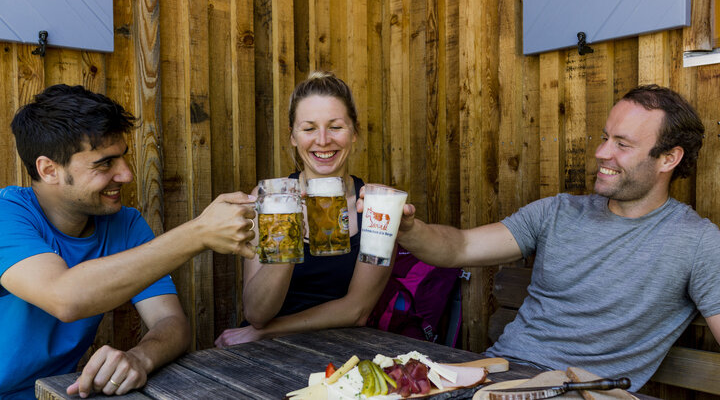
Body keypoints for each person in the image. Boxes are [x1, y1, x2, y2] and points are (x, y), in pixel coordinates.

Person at [358, 84, 720, 391]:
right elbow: (460, 248)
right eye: (604, 137)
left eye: (622, 145)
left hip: (579, 391)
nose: (601, 153)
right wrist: (408, 228)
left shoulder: (697, 242)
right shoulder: (557, 212)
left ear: (669, 158)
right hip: (496, 377)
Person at [0, 84, 257, 399]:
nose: (126, 174)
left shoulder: (126, 222)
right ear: (49, 170)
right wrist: (199, 233)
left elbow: (171, 322)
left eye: (124, 157)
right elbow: (64, 298)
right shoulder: (6, 213)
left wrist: (141, 356)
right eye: (105, 163)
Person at [214, 71, 393, 346]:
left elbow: (357, 310)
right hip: (265, 350)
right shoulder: (269, 199)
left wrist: (265, 332)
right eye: (309, 129)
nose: (322, 140)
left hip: (341, 348)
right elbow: (257, 313)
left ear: (354, 133)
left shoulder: (375, 205)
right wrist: (290, 233)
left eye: (335, 127)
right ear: (294, 137)